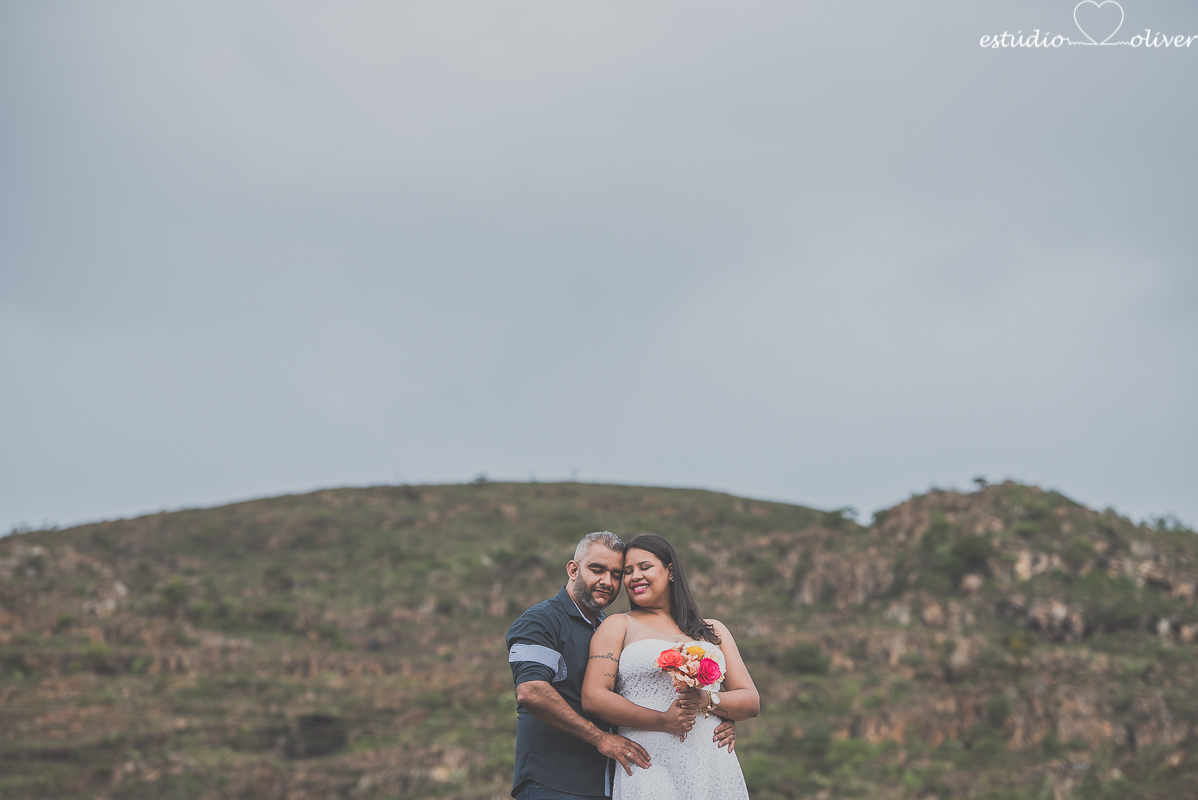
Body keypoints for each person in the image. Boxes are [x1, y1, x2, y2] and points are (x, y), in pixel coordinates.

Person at [506, 532, 737, 800]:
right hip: (551, 780)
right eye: (597, 570)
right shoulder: (540, 620)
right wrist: (600, 738)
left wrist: (715, 715)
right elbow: (531, 691)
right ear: (572, 569)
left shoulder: (609, 627)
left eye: (617, 574)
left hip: (611, 781)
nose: (607, 581)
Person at [581, 534, 759, 800]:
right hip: (649, 761)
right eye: (627, 572)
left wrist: (706, 701)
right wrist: (663, 721)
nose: (634, 577)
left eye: (644, 567)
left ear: (670, 570)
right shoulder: (618, 625)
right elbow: (594, 697)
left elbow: (750, 701)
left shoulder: (713, 630)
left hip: (711, 764)